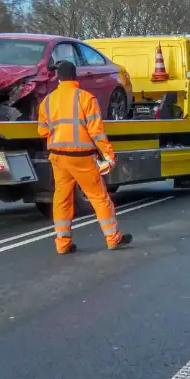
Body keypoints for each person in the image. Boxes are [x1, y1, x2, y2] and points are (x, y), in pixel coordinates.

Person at [37, 60, 132, 254]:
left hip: (58, 158)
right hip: (82, 158)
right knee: (99, 197)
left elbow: (42, 131)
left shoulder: (47, 101)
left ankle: (62, 244)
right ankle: (113, 238)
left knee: (62, 200)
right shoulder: (86, 99)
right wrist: (108, 154)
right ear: (75, 76)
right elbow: (96, 132)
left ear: (58, 78)